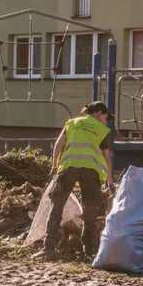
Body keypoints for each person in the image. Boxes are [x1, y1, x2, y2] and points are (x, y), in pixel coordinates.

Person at [43, 101, 115, 261]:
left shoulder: (72, 124)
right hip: (91, 173)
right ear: (98, 113)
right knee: (90, 211)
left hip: (68, 168)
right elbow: (106, 159)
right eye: (105, 117)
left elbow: (58, 145)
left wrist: (55, 167)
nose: (106, 120)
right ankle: (89, 252)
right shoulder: (102, 130)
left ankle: (48, 249)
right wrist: (110, 183)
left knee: (56, 208)